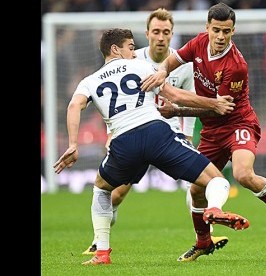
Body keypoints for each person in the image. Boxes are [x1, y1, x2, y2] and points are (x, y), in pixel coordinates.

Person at [53, 28, 250, 265]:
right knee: (216, 180)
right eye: (130, 47)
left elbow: (74, 106)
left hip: (123, 142)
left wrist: (73, 143)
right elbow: (174, 95)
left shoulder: (90, 81)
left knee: (102, 189)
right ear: (115, 49)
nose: (134, 52)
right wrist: (213, 103)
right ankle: (215, 209)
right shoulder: (140, 66)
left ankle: (102, 252)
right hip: (156, 133)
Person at [142, 2, 266, 262]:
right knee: (196, 189)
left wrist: (177, 108)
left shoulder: (236, 66)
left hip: (238, 123)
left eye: (226, 31)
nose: (220, 37)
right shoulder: (198, 43)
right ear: (207, 28)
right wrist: (162, 71)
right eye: (216, 30)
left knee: (243, 174)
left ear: (233, 31)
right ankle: (203, 242)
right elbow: (174, 60)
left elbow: (218, 109)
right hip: (211, 131)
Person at [81, 8, 228, 256]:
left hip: (168, 133)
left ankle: (205, 237)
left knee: (199, 184)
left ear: (172, 35)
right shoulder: (131, 60)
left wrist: (188, 135)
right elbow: (112, 99)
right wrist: (111, 134)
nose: (161, 37)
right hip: (134, 132)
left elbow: (188, 99)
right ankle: (99, 241)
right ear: (147, 34)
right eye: (156, 32)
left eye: (166, 32)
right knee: (115, 196)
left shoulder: (183, 66)